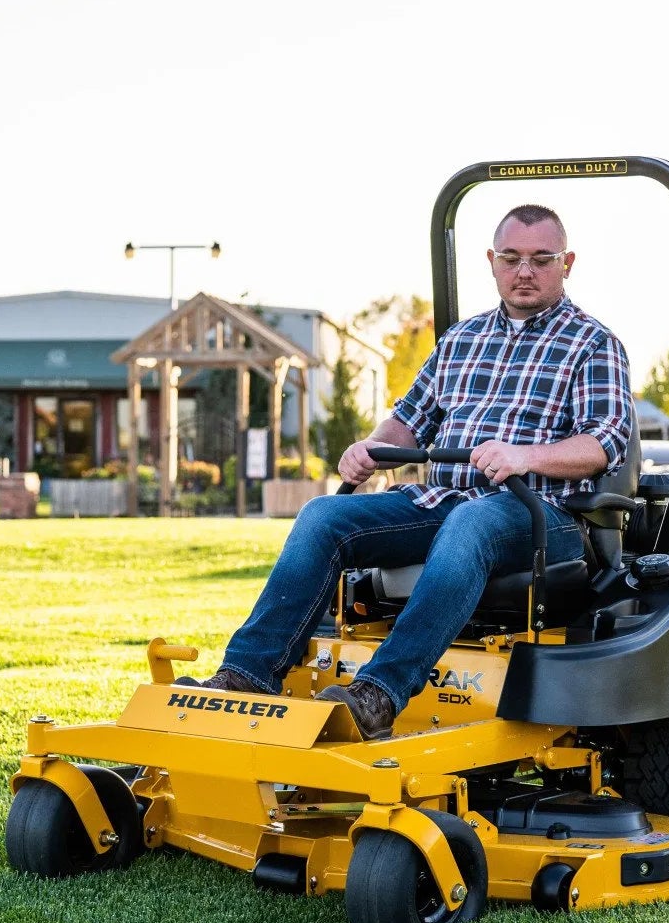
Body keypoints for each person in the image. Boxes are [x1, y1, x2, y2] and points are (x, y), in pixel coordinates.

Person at [186, 203, 634, 739]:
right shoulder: (460, 341)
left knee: (472, 525)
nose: (525, 271)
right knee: (324, 516)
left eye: (542, 258)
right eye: (512, 257)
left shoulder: (593, 343)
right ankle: (245, 676)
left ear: (567, 263)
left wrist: (524, 456)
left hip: (544, 515)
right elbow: (409, 422)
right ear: (492, 261)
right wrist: (371, 448)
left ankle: (378, 693)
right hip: (445, 502)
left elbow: (605, 441)